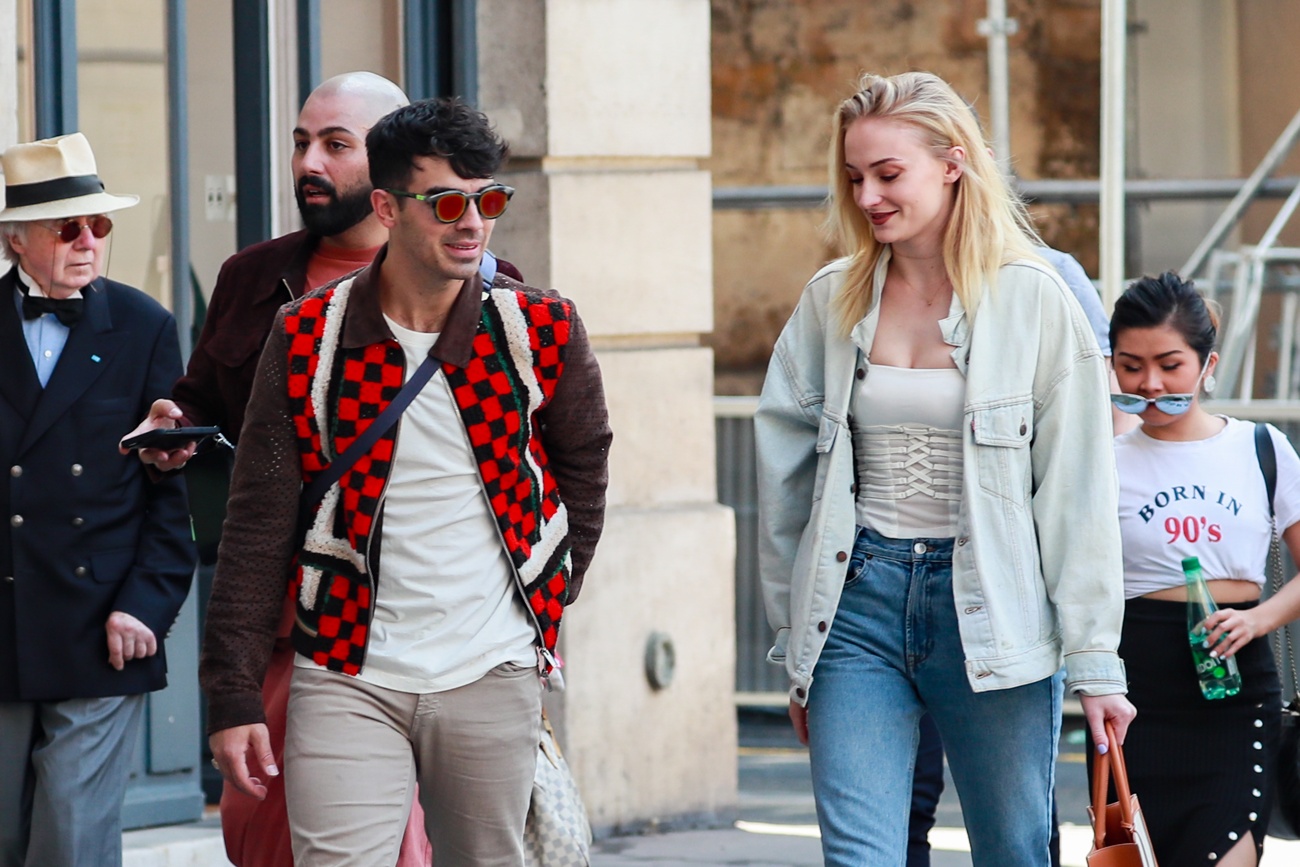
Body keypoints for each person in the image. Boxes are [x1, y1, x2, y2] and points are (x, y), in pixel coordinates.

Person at [120, 71, 522, 867]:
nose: (309, 162)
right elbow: (206, 400)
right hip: (287, 625)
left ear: (392, 172)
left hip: (437, 634)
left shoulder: (491, 293)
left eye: (337, 145)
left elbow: (550, 470)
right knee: (266, 839)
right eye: (303, 142)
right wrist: (174, 422)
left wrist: (534, 611)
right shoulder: (252, 278)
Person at [201, 97, 611, 865]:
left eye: (489, 200)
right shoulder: (311, 335)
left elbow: (584, 471)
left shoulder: (537, 329)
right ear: (387, 208)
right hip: (344, 668)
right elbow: (257, 522)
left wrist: (543, 603)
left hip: (491, 670)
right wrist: (232, 691)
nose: (473, 223)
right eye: (447, 203)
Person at [754, 71, 1135, 866]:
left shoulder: (1034, 297)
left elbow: (1076, 492)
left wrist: (1097, 664)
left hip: (992, 605)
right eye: (854, 177)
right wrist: (795, 641)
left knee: (1013, 850)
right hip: (855, 604)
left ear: (954, 163)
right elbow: (786, 479)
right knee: (860, 856)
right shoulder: (833, 299)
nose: (867, 196)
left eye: (888, 174)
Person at [0, 133, 196, 866]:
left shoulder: (144, 326)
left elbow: (170, 492)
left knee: (72, 837)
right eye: (67, 228)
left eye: (99, 225)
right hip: (5, 613)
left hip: (101, 623)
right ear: (16, 240)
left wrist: (147, 603)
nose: (88, 242)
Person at [1108, 271, 1300, 866]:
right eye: (1131, 366)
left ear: (1207, 364)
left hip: (1234, 694)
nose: (1150, 383)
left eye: (1170, 365)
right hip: (1133, 697)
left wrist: (1259, 619)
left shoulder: (1261, 447)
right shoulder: (1102, 462)